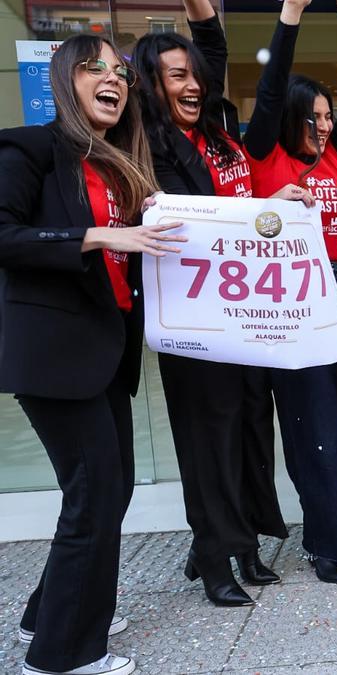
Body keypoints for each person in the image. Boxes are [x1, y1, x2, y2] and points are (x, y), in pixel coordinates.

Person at [0, 34, 183, 675]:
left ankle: (47, 615)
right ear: (63, 81)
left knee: (108, 490)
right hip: (55, 355)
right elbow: (5, 235)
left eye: (119, 72)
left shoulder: (117, 165)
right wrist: (101, 235)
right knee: (96, 494)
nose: (111, 79)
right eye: (92, 68)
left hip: (105, 355)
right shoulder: (29, 148)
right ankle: (62, 655)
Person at [132, 0, 306, 606]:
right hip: (195, 319)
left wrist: (274, 204)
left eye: (195, 75)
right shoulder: (144, 147)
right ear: (150, 84)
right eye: (176, 75)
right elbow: (193, 223)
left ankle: (247, 541)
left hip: (245, 314)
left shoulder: (219, 131)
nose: (192, 84)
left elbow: (215, 48)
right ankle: (213, 557)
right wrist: (261, 208)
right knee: (208, 441)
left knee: (252, 430)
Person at [243, 0, 337, 585]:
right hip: (294, 308)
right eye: (314, 117)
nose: (325, 126)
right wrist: (291, 15)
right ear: (291, 117)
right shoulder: (264, 154)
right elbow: (271, 89)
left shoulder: (334, 158)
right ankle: (327, 544)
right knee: (317, 434)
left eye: (328, 117)